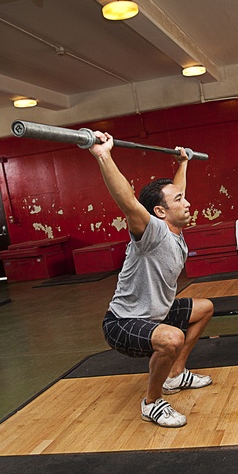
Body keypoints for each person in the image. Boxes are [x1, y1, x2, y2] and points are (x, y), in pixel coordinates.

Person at [89, 131, 215, 428]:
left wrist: (183, 162)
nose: (186, 203)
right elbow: (129, 202)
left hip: (156, 313)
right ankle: (152, 402)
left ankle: (175, 375)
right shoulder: (153, 233)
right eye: (179, 201)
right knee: (173, 338)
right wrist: (103, 155)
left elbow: (175, 193)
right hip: (123, 323)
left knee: (205, 308)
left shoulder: (173, 230)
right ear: (160, 212)